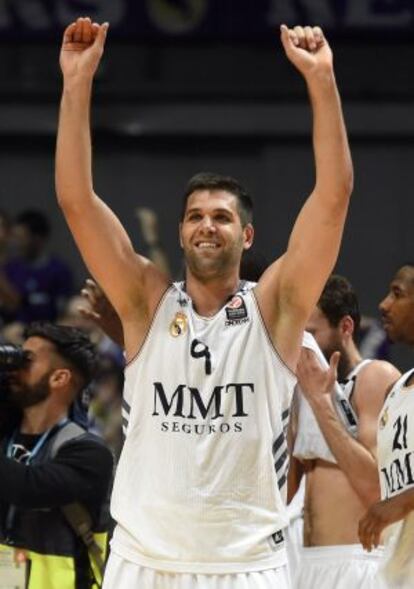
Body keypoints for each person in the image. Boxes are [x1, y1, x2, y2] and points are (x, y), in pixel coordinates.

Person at [56, 17, 353, 589]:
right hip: (143, 560)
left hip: (245, 566)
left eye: (221, 217)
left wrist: (322, 81)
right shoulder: (145, 303)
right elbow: (75, 200)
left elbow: (334, 198)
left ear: (246, 236)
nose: (206, 226)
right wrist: (76, 84)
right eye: (195, 216)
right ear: (181, 232)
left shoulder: (277, 308)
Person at [290, 275, 400, 588]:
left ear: (346, 328)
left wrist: (321, 404)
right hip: (306, 563)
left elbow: (376, 489)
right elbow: (287, 493)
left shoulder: (376, 378)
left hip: (357, 563)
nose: (304, 346)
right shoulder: (303, 388)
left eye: (311, 334)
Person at [0, 322, 114, 589]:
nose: (15, 367)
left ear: (59, 378)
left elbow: (28, 488)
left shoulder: (91, 455)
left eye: (26, 360)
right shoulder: (6, 434)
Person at [359, 264, 414, 588]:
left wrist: (404, 500)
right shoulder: (396, 391)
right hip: (393, 573)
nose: (383, 304)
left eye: (398, 294)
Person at [2, 209, 74, 326]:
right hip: (14, 331)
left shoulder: (59, 270)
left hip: (51, 332)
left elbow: (63, 311)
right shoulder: (9, 269)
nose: (17, 243)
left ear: (38, 239)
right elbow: (9, 306)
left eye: (22, 238)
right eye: (16, 238)